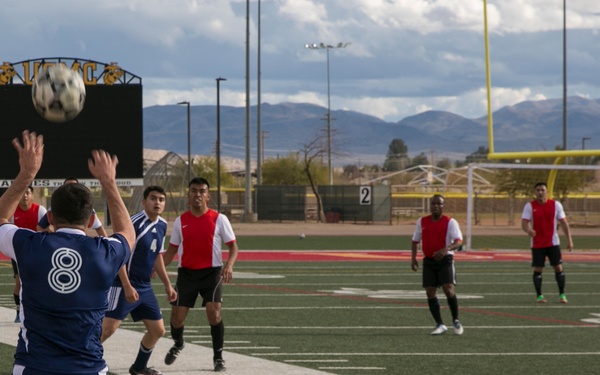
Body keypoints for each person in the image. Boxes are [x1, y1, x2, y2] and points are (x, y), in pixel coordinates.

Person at [0, 130, 135, 375]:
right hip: (88, 368)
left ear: (49, 216)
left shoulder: (29, 244)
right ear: (91, 218)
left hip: (33, 367)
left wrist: (27, 174)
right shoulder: (106, 252)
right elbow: (127, 232)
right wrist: (109, 183)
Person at [162, 177, 239, 372]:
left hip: (211, 274)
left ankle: (218, 357)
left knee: (214, 315)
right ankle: (178, 344)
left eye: (202, 191)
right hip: (186, 275)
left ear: (208, 196)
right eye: (194, 191)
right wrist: (156, 268)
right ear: (188, 195)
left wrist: (229, 265)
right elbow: (171, 250)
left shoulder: (219, 219)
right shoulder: (181, 221)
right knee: (176, 319)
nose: (198, 194)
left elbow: (233, 247)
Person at [101, 186, 177, 375]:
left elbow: (157, 255)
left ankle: (138, 368)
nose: (157, 202)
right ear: (144, 201)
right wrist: (126, 285)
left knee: (157, 330)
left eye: (161, 199)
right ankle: (76, 362)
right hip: (122, 284)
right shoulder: (133, 224)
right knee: (107, 330)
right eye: (153, 198)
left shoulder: (162, 225)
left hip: (144, 287)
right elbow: (117, 255)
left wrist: (167, 285)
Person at [410, 194, 464, 336]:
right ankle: (440, 324)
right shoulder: (422, 221)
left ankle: (456, 320)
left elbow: (458, 241)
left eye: (438, 204)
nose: (435, 206)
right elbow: (415, 241)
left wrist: (446, 249)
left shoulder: (450, 222)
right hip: (428, 261)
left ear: (443, 206)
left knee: (448, 289)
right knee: (430, 292)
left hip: (445, 260)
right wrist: (413, 258)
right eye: (433, 203)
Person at [521, 182, 573, 304]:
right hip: (537, 244)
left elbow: (564, 223)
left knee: (558, 267)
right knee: (538, 269)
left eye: (542, 190)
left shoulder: (556, 205)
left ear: (547, 192)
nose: (540, 192)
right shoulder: (529, 206)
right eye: (538, 190)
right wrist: (529, 230)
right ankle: (539, 296)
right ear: (535, 192)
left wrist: (569, 240)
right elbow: (524, 223)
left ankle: (562, 294)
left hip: (553, 243)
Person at [10, 185, 47, 323]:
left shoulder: (40, 210)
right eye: (22, 193)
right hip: (19, 252)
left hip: (38, 251)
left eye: (28, 193)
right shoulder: (13, 212)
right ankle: (19, 311)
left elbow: (46, 229)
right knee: (19, 282)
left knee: (40, 281)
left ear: (32, 195)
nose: (25, 196)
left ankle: (39, 310)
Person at [37, 177, 108, 237]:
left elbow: (99, 228)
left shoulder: (87, 208)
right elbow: (40, 227)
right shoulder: (54, 207)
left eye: (74, 186)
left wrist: (107, 246)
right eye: (67, 186)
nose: (71, 190)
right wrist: (47, 234)